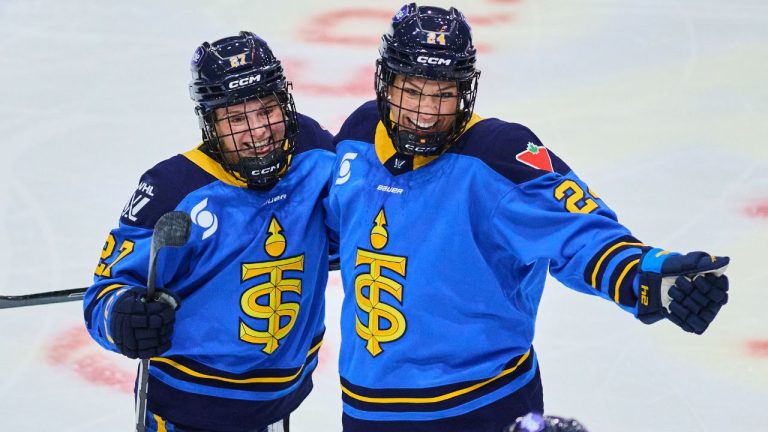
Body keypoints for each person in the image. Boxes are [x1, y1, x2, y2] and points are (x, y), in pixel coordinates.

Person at [325, 4, 730, 432]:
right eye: (412, 90)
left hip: (481, 406)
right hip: (368, 412)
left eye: (443, 94)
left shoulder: (498, 154)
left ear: (465, 90)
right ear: (386, 81)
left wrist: (643, 275)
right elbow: (327, 234)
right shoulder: (358, 135)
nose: (426, 112)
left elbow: (580, 231)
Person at [83, 31, 335, 432]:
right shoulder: (175, 188)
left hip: (278, 403)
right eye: (235, 118)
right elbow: (105, 293)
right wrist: (123, 316)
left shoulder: (313, 151)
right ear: (210, 123)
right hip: (188, 411)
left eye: (266, 110)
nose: (257, 132)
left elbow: (344, 227)